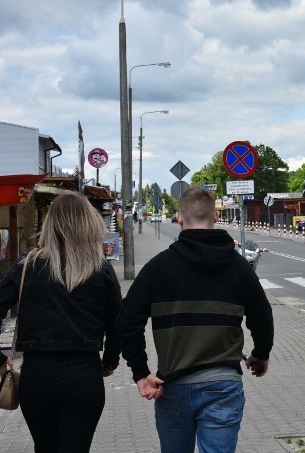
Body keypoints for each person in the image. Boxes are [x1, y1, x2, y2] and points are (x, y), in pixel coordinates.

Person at [118, 186, 274, 453]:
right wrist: (261, 353)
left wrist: (141, 373)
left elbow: (127, 321)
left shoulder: (158, 267)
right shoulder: (239, 268)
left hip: (173, 388)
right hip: (223, 386)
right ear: (215, 218)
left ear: (180, 217)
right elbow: (262, 314)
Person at [0, 192, 122, 453]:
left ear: (50, 224)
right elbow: (116, 323)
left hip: (37, 375)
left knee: (45, 447)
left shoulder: (26, 265)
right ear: (88, 223)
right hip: (84, 373)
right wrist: (110, 361)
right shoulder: (100, 268)